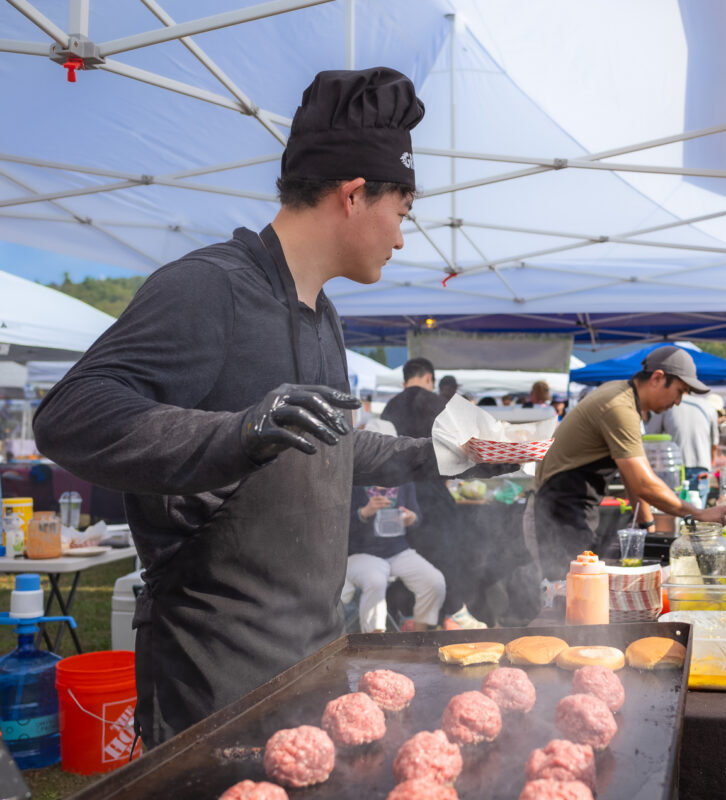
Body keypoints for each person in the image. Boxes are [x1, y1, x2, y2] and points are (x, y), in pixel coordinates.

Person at [31, 68, 507, 746]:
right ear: (352, 196)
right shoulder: (207, 287)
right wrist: (240, 431)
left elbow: (327, 444)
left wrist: (446, 457)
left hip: (313, 654)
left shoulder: (325, 317)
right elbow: (70, 414)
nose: (402, 239)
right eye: (401, 214)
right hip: (214, 672)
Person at [532, 346, 726, 579]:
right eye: (680, 391)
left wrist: (647, 525)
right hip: (560, 508)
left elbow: (631, 475)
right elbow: (643, 483)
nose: (679, 401)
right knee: (573, 592)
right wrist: (698, 513)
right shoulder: (619, 406)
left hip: (569, 504)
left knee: (582, 589)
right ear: (658, 378)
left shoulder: (622, 395)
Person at [381, 357, 486, 630]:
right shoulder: (438, 404)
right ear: (430, 378)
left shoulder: (390, 407)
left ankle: (409, 615)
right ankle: (454, 612)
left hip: (399, 495)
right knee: (449, 551)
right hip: (433, 492)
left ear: (405, 380)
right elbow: (460, 450)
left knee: (408, 554)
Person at [345, 481, 445, 632]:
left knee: (434, 582)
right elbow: (338, 524)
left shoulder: (404, 483)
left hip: (397, 551)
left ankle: (418, 636)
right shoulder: (355, 483)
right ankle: (374, 641)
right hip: (361, 553)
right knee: (376, 580)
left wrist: (411, 518)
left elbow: (417, 517)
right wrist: (364, 512)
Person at [645, 382, 720, 500]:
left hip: (674, 468)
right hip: (701, 467)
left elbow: (650, 437)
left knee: (675, 511)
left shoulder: (667, 406)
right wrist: (711, 464)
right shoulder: (707, 407)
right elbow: (715, 443)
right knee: (698, 511)